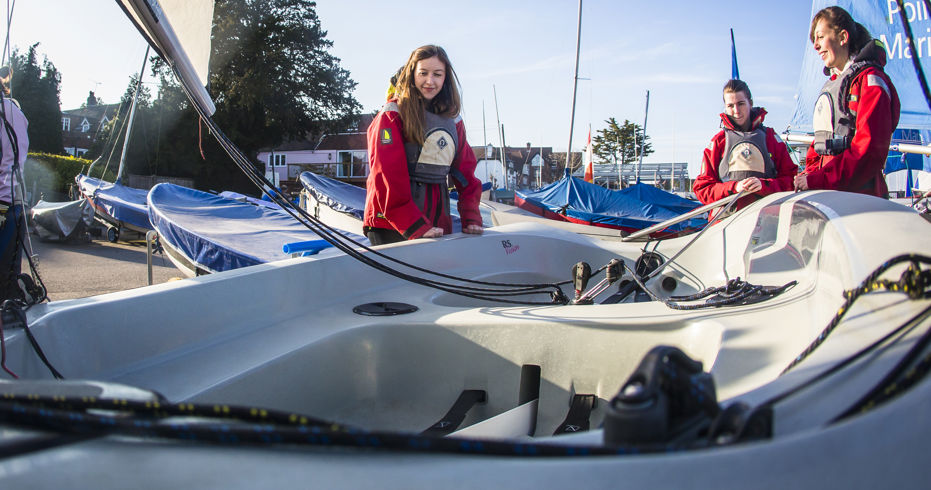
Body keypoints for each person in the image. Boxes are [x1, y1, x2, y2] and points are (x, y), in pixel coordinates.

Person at [364, 45, 483, 245]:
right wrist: (414, 224)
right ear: (412, 74)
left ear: (446, 78)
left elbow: (466, 172)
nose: (430, 81)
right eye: (423, 73)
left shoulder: (453, 121)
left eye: (437, 74)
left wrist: (471, 215)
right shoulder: (391, 115)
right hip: (393, 223)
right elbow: (386, 174)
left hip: (435, 222)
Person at [794, 6, 900, 198]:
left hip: (859, 201)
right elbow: (818, 148)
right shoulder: (835, 85)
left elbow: (867, 152)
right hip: (828, 196)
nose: (815, 46)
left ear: (843, 37)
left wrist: (816, 180)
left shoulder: (870, 82)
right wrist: (808, 176)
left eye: (820, 37)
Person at [693, 79, 797, 212]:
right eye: (730, 106)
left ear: (750, 103)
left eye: (741, 104)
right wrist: (734, 187)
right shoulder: (718, 142)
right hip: (726, 223)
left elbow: (791, 181)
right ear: (725, 107)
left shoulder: (771, 138)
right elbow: (702, 189)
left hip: (766, 220)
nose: (736, 111)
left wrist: (764, 185)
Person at [0, 66, 29, 300]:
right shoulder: (11, 112)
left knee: (4, 276)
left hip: (5, 203)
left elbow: (11, 160)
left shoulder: (8, 112)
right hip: (8, 201)